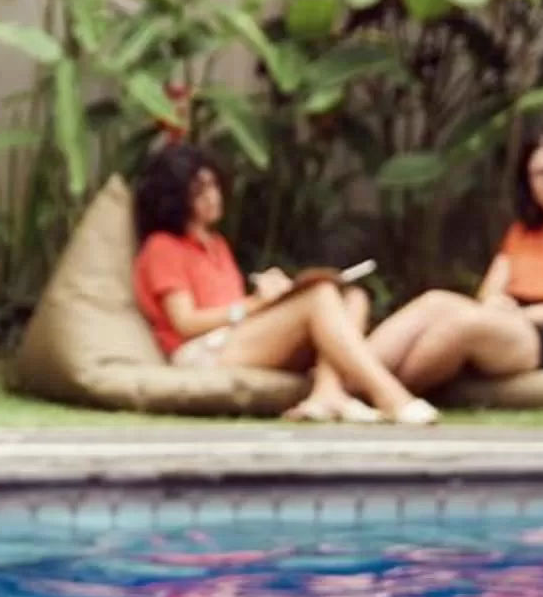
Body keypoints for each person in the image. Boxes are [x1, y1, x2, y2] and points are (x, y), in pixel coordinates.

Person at [129, 142, 439, 425]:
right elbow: (185, 322)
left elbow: (230, 304)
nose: (214, 196)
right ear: (174, 199)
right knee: (319, 295)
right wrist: (253, 306)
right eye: (199, 191)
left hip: (236, 337)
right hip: (201, 352)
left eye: (213, 185)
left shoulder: (217, 244)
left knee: (354, 297)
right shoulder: (163, 247)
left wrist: (271, 296)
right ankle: (391, 397)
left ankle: (326, 394)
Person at [368, 130, 543, 393]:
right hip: (507, 322)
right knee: (435, 300)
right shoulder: (522, 231)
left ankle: (375, 391)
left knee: (465, 325)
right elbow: (490, 291)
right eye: (539, 174)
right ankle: (343, 383)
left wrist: (521, 315)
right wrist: (496, 303)